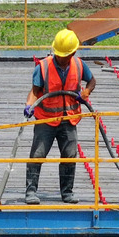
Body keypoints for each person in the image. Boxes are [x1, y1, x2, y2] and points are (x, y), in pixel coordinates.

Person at [24, 29, 95, 204]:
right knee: (37, 155)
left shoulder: (79, 65)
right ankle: (30, 192)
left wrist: (86, 92)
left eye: (66, 55)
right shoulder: (43, 66)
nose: (62, 58)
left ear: (73, 52)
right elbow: (34, 92)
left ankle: (67, 192)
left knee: (69, 155)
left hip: (69, 119)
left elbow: (92, 81)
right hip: (46, 120)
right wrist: (28, 105)